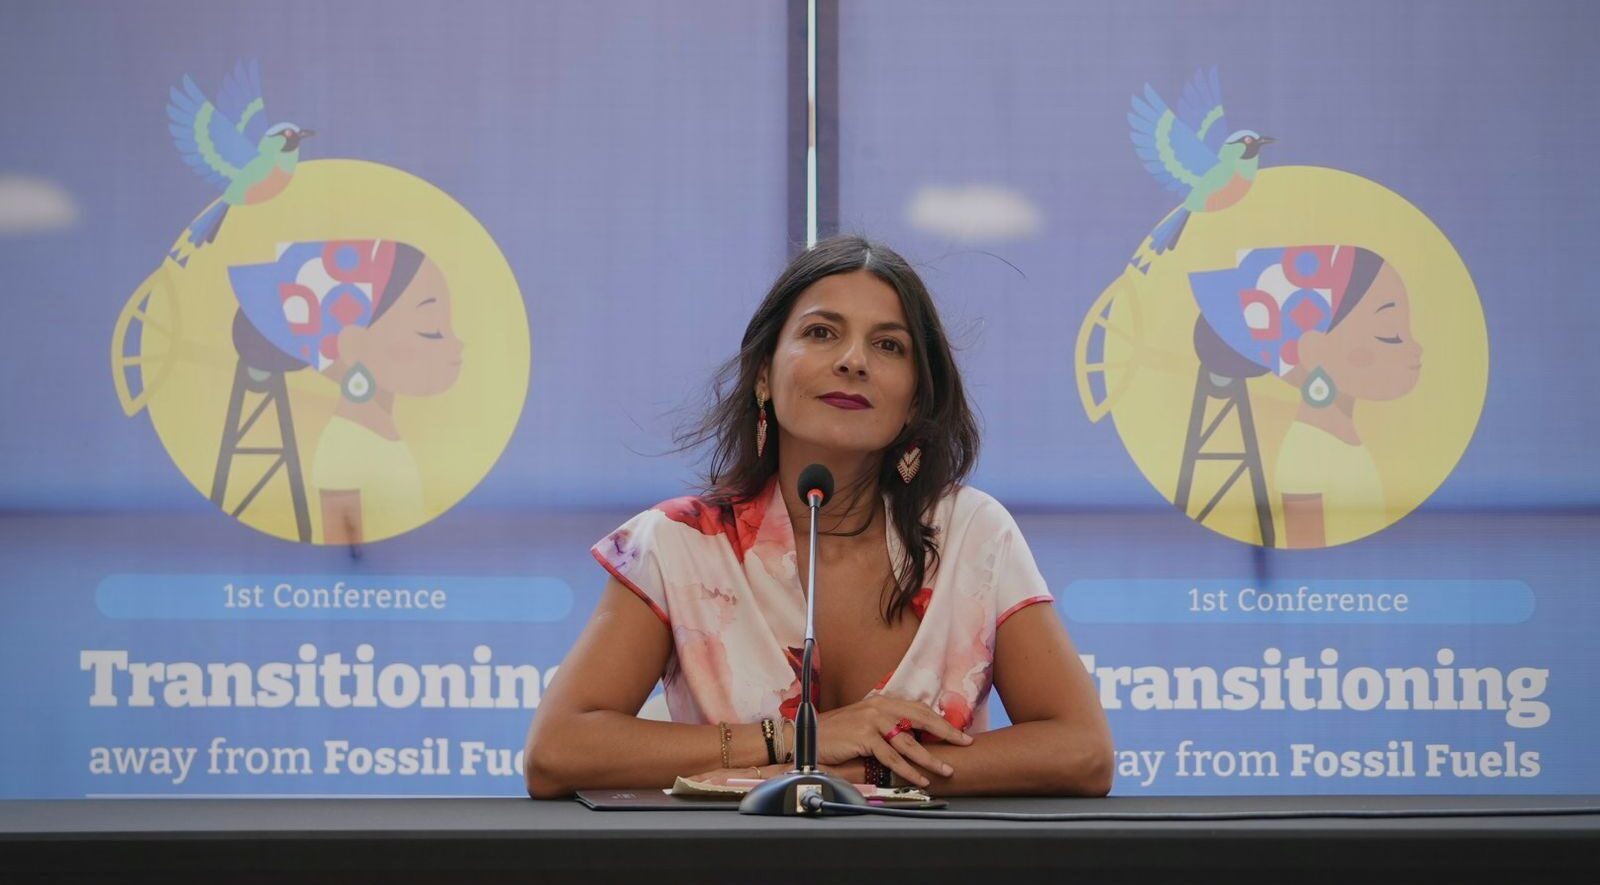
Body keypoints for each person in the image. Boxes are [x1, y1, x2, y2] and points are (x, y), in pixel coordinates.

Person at [524, 236, 1112, 797]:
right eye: (821, 332)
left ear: (915, 399)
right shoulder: (681, 541)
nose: (854, 361)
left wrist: (866, 773)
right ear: (764, 374)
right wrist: (797, 741)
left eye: (889, 345)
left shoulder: (972, 533)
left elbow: (1082, 751)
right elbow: (557, 752)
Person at [229, 239, 465, 543]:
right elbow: (341, 553)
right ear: (354, 346)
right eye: (431, 329)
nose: (458, 344)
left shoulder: (376, 434)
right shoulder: (344, 447)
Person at [1190, 245, 1423, 547]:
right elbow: (1308, 558)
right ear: (1315, 352)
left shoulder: (1336, 441)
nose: (1417, 348)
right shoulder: (1306, 457)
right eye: (1390, 333)